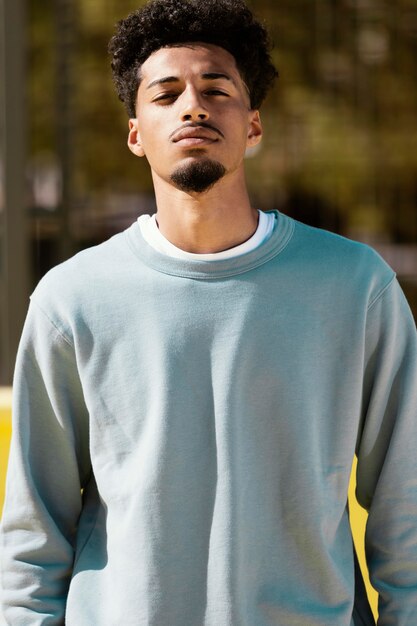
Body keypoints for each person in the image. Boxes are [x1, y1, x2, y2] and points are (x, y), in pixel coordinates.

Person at [1, 0, 417, 623]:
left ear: (253, 125)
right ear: (136, 134)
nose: (192, 105)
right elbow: (35, 528)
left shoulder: (356, 286)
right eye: (165, 94)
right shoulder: (72, 298)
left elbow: (405, 504)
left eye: (216, 89)